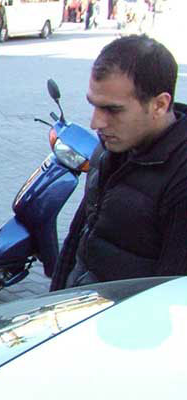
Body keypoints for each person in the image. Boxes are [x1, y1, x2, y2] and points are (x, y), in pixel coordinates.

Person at [50, 35, 187, 291]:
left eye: (112, 110)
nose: (96, 123)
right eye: (94, 106)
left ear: (159, 105)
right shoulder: (110, 146)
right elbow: (78, 236)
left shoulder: (181, 178)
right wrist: (55, 299)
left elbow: (172, 294)